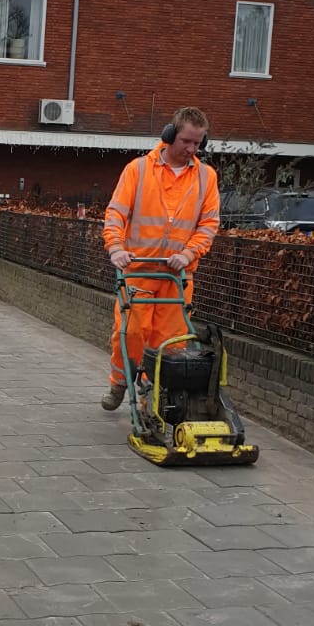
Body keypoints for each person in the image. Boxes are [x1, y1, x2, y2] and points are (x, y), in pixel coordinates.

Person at [100, 106, 220, 410]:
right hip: (138, 270)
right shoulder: (138, 170)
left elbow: (209, 224)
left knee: (170, 341)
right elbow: (116, 213)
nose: (191, 149)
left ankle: (153, 397)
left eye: (198, 143)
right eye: (186, 141)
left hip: (177, 276)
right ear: (169, 135)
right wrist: (115, 247)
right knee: (131, 333)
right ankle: (120, 382)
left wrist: (189, 253)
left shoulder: (206, 177)